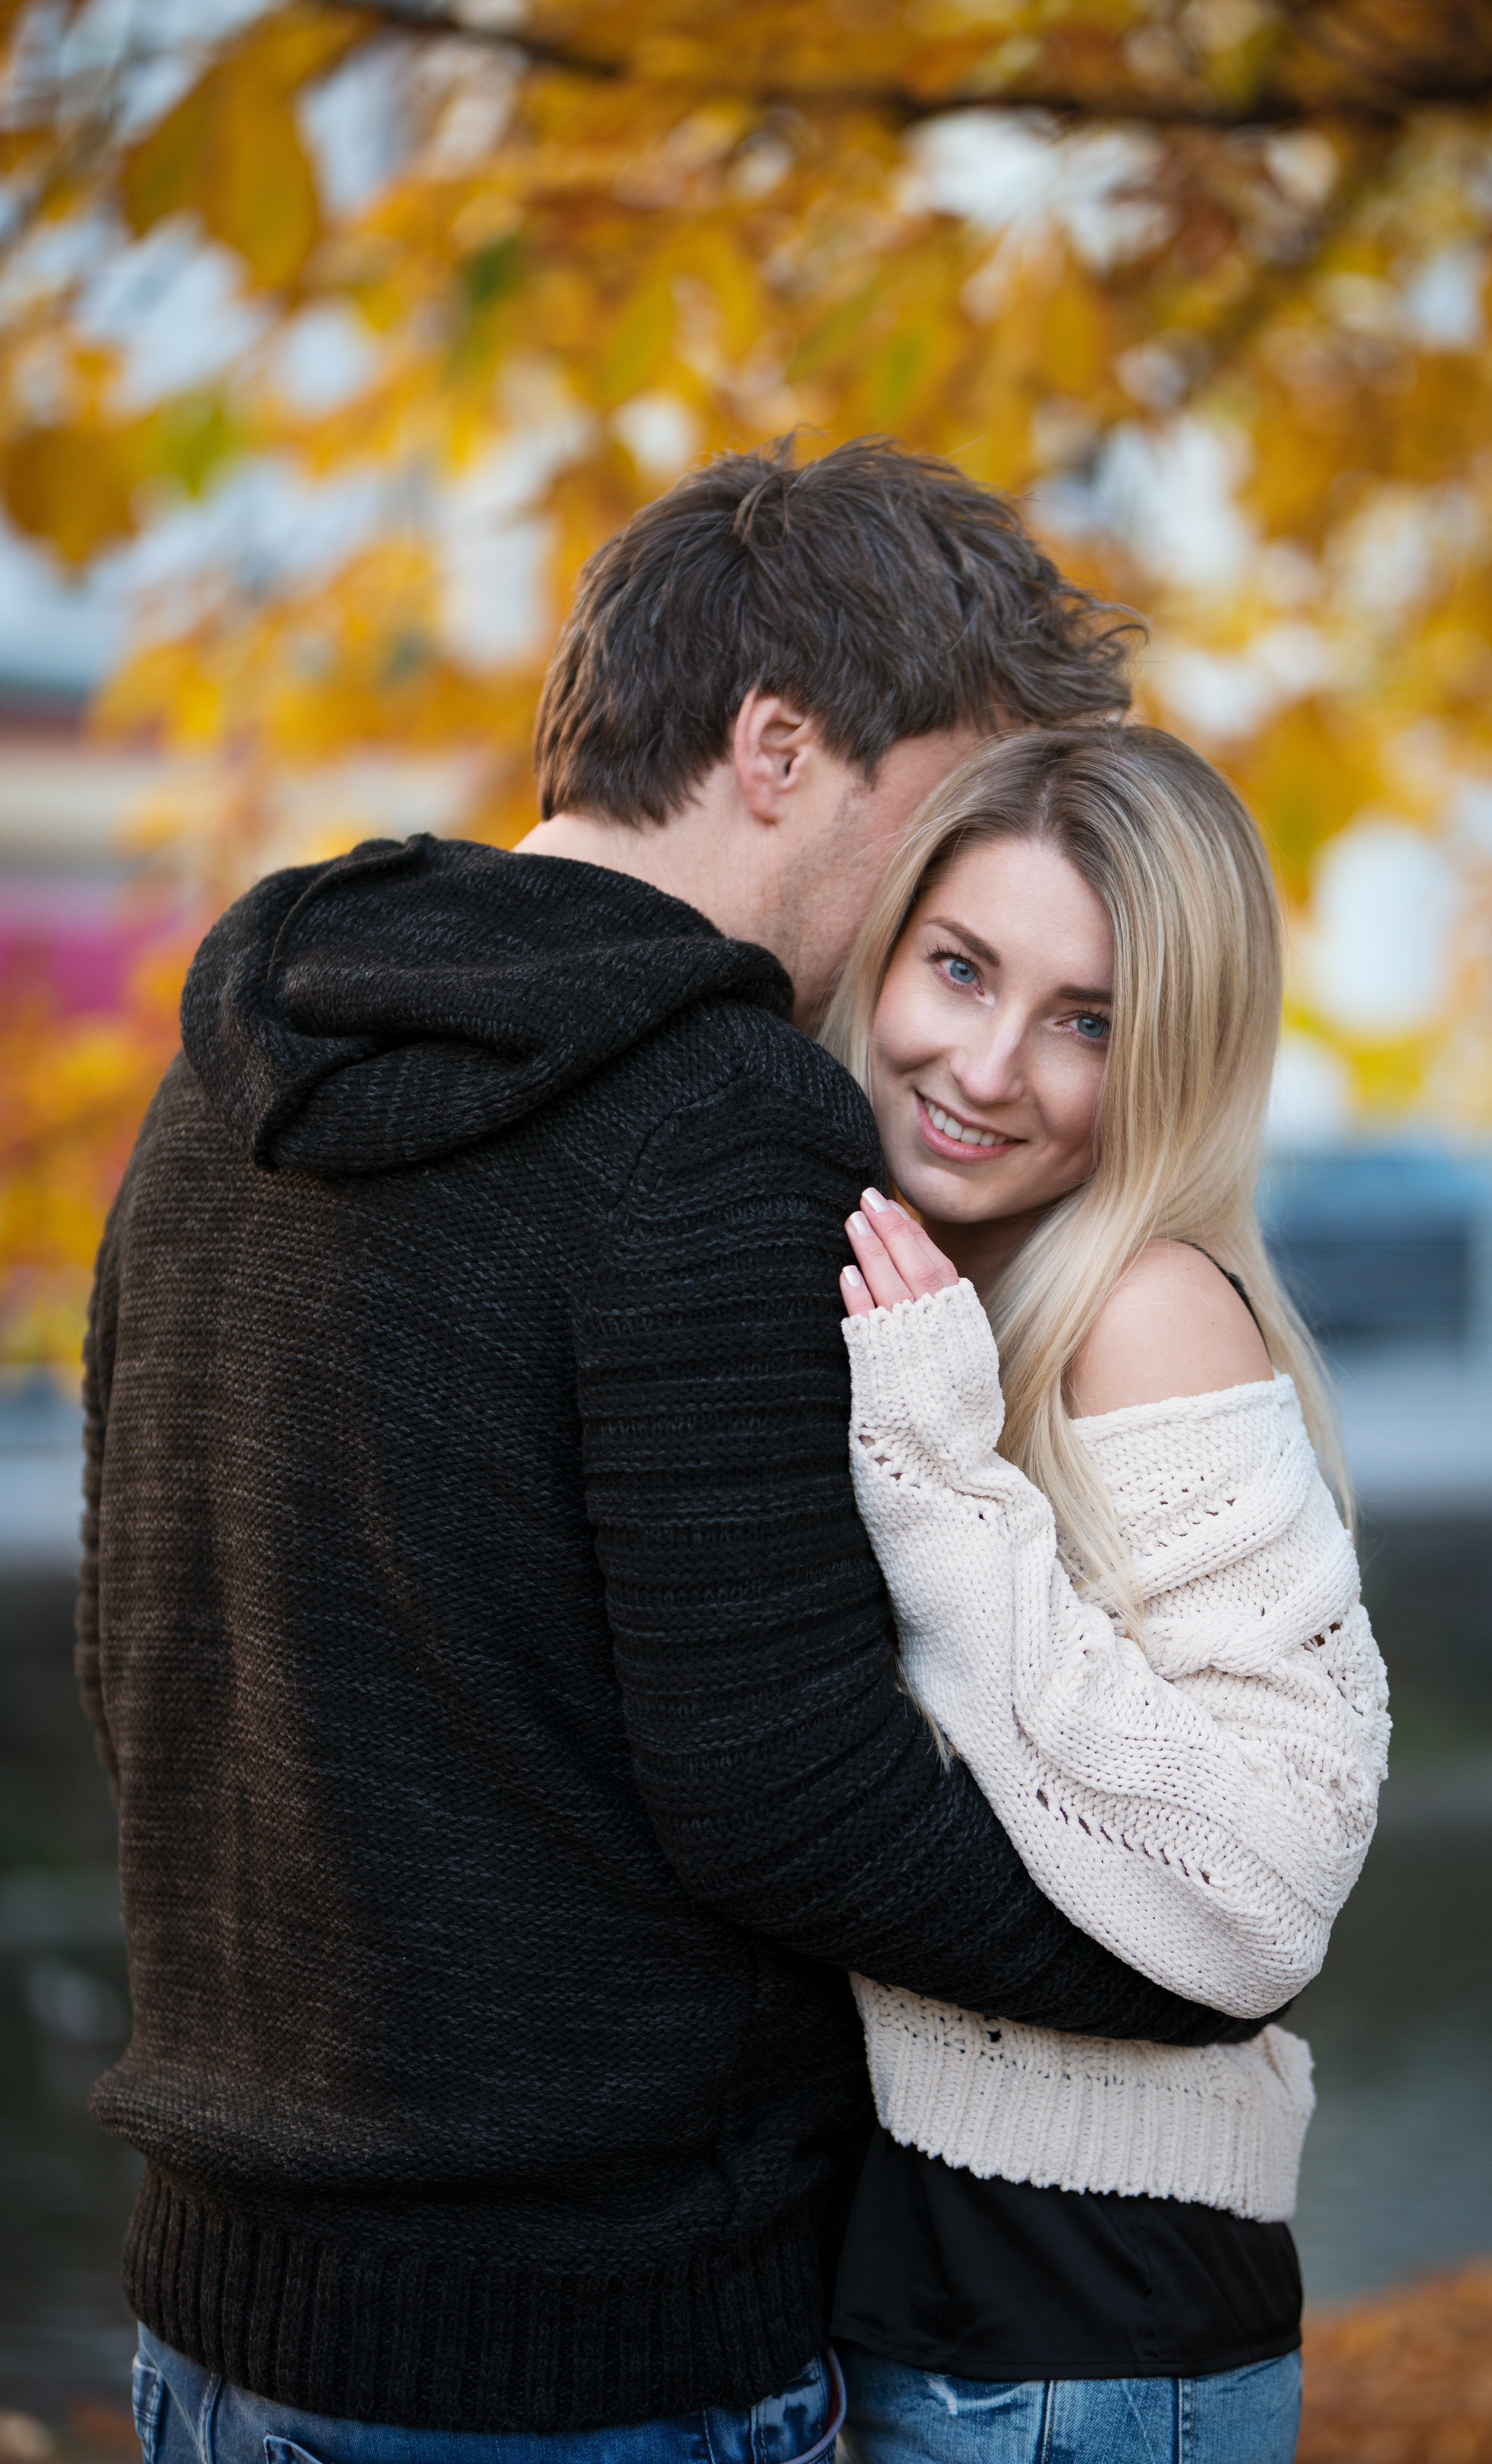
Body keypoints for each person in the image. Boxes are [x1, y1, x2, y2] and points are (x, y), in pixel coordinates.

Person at [78, 441, 1284, 2464]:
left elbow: (143, 1651)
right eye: (944, 803)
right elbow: (782, 1787)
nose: (938, 885)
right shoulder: (718, 1114)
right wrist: (1194, 1954)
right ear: (782, 742)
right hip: (578, 2354)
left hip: (220, 2310)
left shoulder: (225, 1078)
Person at [813, 727, 1390, 2462]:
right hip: (911, 2291)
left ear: (1174, 1061)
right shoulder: (928, 1272)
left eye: (1090, 1019)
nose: (986, 1064)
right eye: (963, 967)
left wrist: (933, 1468)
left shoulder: (1140, 1308)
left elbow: (1271, 1884)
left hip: (1081, 2330)